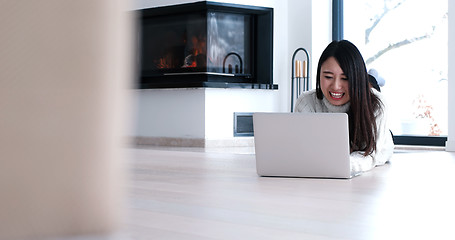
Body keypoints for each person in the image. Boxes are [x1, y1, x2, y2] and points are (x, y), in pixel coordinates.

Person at [294, 40, 394, 176]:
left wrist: (330, 164)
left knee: (372, 84)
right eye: (328, 76)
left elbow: (369, 157)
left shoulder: (377, 105)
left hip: (375, 125)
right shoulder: (305, 102)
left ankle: (373, 77)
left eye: (345, 78)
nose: (335, 86)